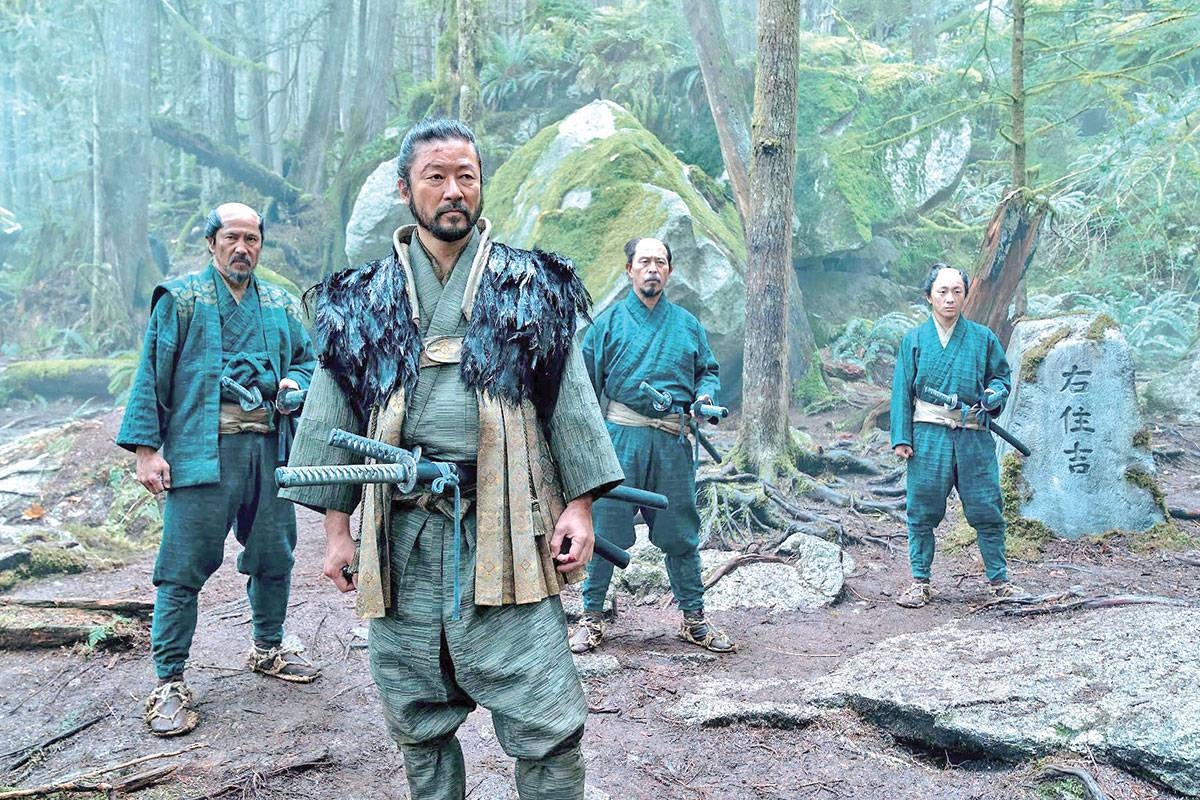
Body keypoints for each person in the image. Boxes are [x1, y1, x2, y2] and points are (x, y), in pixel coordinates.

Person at [280, 118, 623, 800]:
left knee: (546, 712)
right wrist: (336, 532)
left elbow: (569, 400)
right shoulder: (359, 300)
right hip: (401, 531)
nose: (453, 191)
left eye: (466, 176)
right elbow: (331, 414)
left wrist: (580, 506)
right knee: (415, 711)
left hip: (507, 526)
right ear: (405, 188)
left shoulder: (532, 286)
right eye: (435, 177)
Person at [116, 202, 319, 737]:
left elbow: (307, 360)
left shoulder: (279, 302)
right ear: (212, 242)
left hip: (269, 451)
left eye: (252, 239)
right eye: (232, 237)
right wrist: (146, 451)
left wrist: (294, 384)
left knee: (274, 554)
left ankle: (268, 647)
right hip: (201, 453)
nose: (242, 248)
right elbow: (152, 372)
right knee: (181, 568)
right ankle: (169, 682)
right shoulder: (181, 300)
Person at [570, 237, 736, 654]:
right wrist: (587, 448)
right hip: (620, 442)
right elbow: (584, 389)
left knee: (681, 532)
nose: (652, 269)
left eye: (660, 262)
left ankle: (694, 619)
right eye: (644, 262)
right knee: (604, 529)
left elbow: (707, 372)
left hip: (671, 443)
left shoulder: (687, 325)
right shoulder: (607, 324)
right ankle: (591, 618)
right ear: (629, 269)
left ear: (669, 271)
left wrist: (704, 397)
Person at [889, 263, 1024, 607]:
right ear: (929, 296)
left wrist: (993, 395)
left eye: (957, 292)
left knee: (987, 507)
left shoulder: (983, 338)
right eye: (942, 292)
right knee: (922, 510)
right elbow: (902, 390)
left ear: (965, 295)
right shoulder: (914, 340)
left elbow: (1001, 378)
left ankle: (999, 581)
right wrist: (902, 438)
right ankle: (920, 581)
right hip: (928, 436)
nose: (949, 298)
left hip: (974, 435)